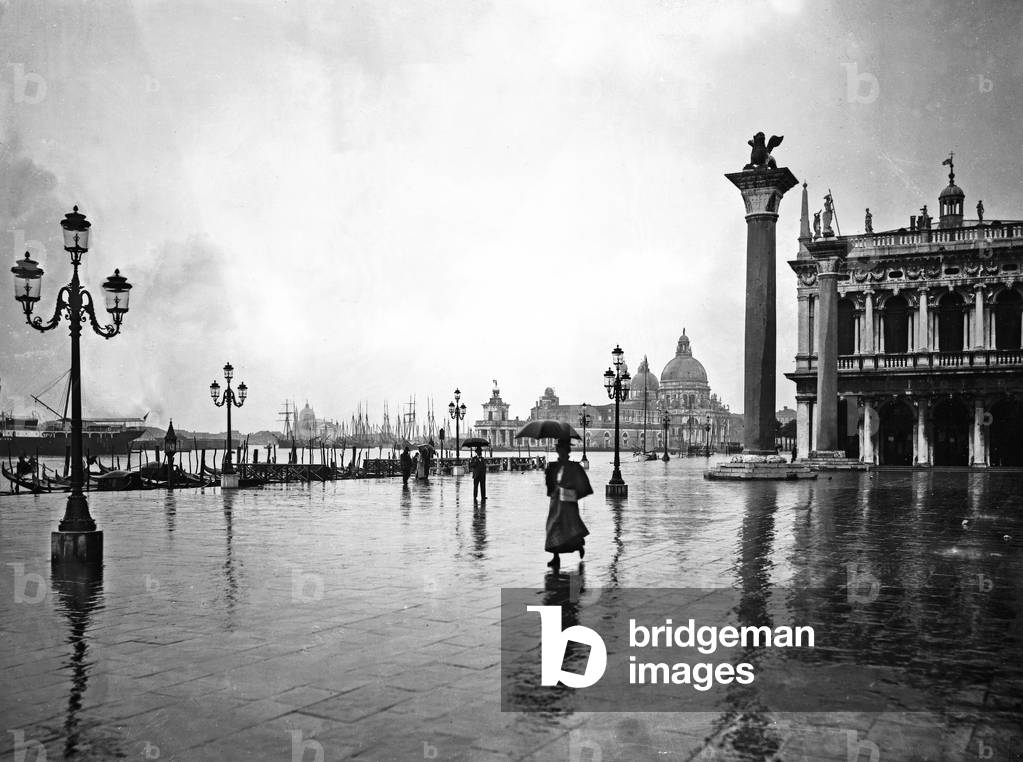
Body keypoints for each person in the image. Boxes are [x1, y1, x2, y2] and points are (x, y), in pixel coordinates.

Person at [543, 438, 592, 570]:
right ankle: (556, 557)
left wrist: (570, 490)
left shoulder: (574, 467)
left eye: (564, 450)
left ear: (567, 452)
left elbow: (582, 485)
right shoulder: (553, 466)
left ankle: (578, 545)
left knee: (570, 527)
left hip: (568, 503)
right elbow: (550, 485)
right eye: (559, 450)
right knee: (553, 527)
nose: (561, 453)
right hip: (556, 503)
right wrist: (548, 476)